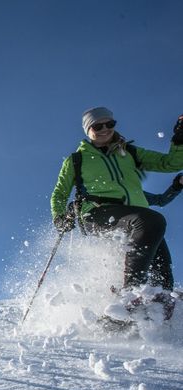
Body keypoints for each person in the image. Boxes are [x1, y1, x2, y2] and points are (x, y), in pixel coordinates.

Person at [50, 108, 183, 300]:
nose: (105, 129)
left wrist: (179, 138)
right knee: (152, 221)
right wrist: (59, 217)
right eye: (98, 126)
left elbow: (170, 163)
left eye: (110, 124)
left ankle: (149, 313)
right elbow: (59, 194)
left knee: (162, 278)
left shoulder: (128, 152)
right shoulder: (76, 160)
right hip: (98, 213)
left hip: (136, 218)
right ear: (88, 130)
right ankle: (129, 296)